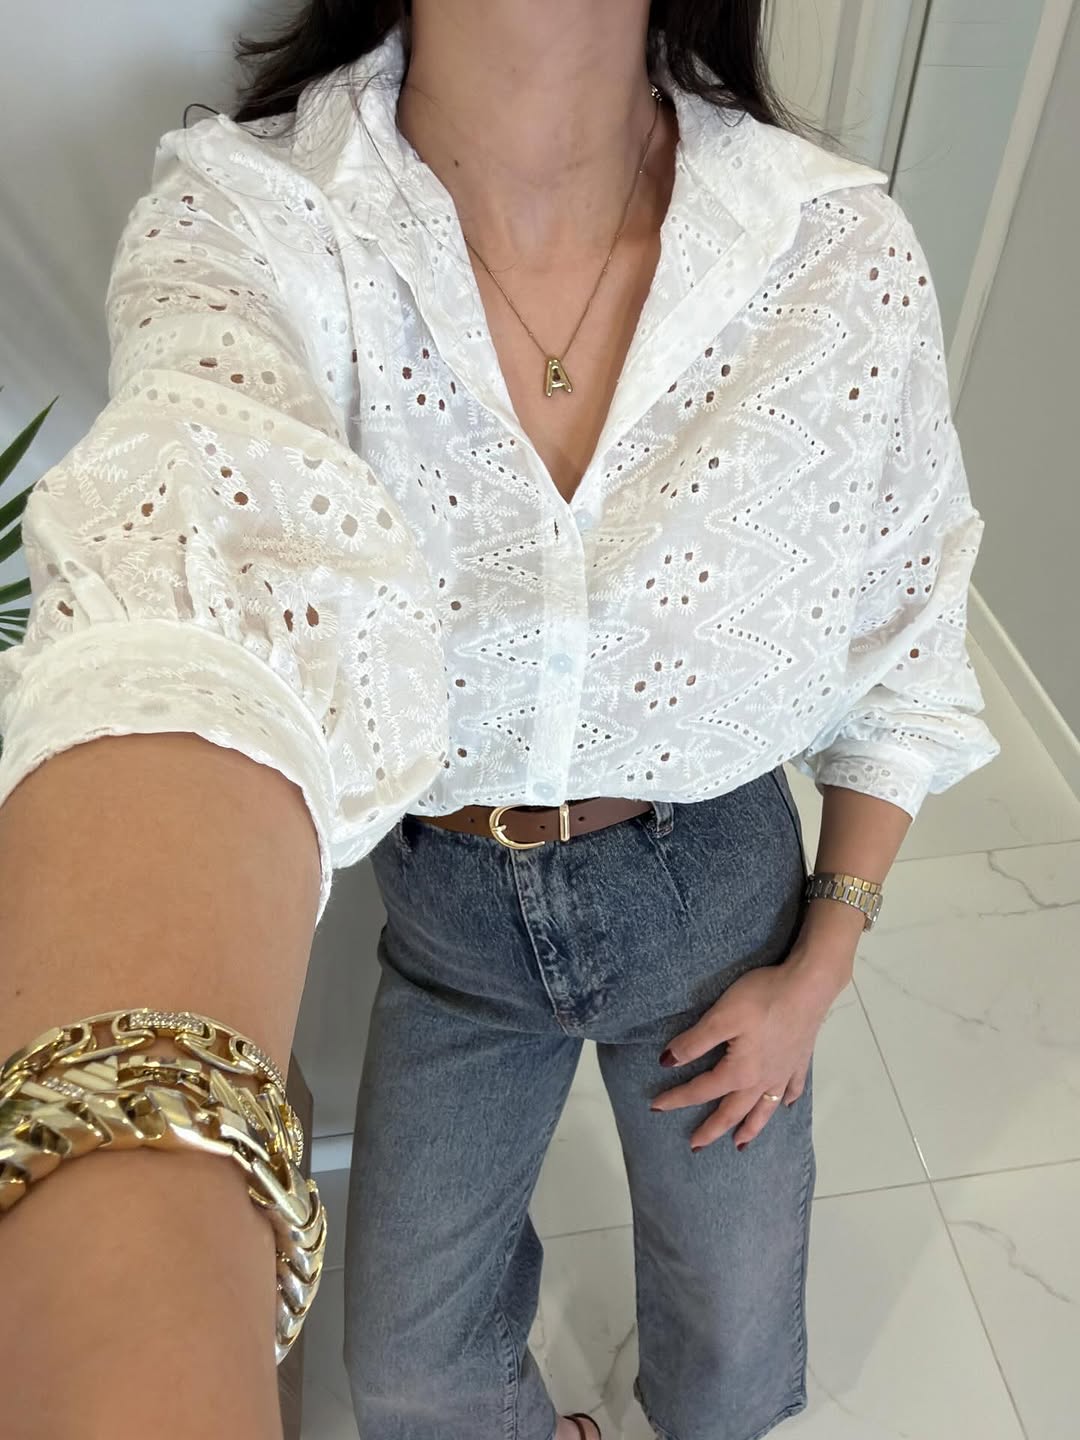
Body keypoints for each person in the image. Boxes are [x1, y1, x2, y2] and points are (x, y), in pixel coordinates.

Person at [0, 3, 1000, 1438]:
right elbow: (184, 624)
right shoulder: (255, 221)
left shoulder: (834, 250)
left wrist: (817, 970)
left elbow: (911, 646)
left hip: (715, 897)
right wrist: (113, 1224)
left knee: (730, 1348)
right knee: (412, 1376)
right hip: (453, 916)